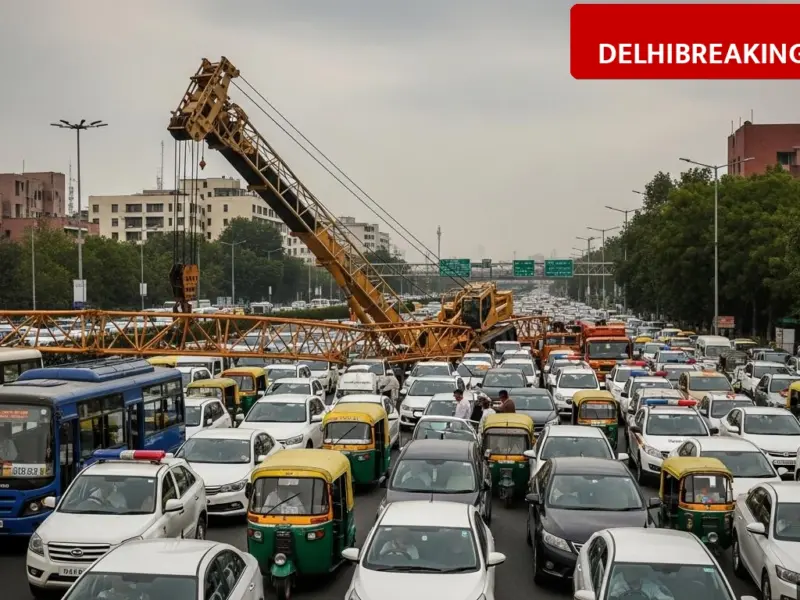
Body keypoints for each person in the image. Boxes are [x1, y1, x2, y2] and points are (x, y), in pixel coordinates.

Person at [607, 564, 674, 600]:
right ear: (624, 570)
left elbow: (668, 598)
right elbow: (608, 596)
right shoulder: (615, 584)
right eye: (630, 569)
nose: (632, 572)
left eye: (635, 569)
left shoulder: (650, 586)